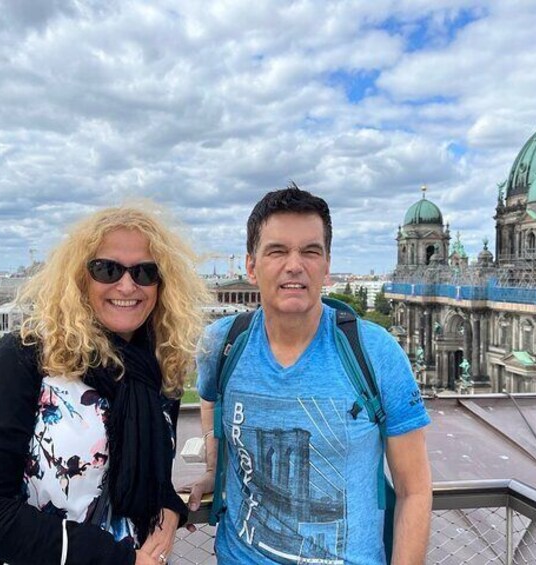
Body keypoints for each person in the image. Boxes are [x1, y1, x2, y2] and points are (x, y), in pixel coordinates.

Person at [0, 204, 209, 565]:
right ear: (79, 279)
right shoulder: (24, 359)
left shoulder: (158, 372)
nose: (128, 285)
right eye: (107, 269)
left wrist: (169, 507)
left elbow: (148, 473)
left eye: (146, 272)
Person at [185, 185, 432, 564]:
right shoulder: (221, 343)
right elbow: (209, 398)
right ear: (251, 266)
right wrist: (214, 469)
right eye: (277, 251)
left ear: (327, 265)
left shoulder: (376, 352)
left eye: (310, 251)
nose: (294, 265)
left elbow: (414, 490)